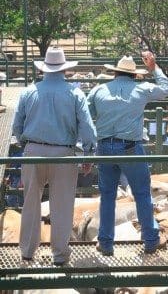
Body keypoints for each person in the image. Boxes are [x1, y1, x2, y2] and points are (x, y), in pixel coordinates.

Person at [12, 47, 96, 266]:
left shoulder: (28, 92)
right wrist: (88, 154)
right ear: (64, 70)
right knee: (62, 205)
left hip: (33, 151)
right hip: (63, 153)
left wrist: (27, 144)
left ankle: (28, 253)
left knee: (30, 203)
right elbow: (87, 128)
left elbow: (17, 127)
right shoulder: (75, 93)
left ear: (44, 69)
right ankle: (59, 256)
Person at [87, 51, 168, 255]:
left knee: (107, 196)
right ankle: (151, 239)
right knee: (142, 193)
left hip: (104, 148)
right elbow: (166, 89)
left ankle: (106, 243)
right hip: (131, 148)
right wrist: (154, 68)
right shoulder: (141, 89)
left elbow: (87, 117)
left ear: (115, 73)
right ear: (135, 75)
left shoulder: (99, 91)